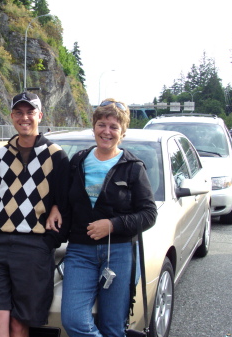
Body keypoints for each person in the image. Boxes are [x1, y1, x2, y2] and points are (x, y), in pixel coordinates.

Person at [0, 91, 70, 337]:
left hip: (33, 246)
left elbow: (66, 203)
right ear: (12, 116)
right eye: (19, 112)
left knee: (19, 324)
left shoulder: (56, 155)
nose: (24, 117)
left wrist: (49, 241)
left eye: (30, 112)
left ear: (40, 115)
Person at [58, 98, 157, 337]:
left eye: (114, 126)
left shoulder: (133, 166)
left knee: (113, 327)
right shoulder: (78, 162)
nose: (107, 131)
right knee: (73, 321)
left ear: (122, 132)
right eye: (102, 124)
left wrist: (113, 225)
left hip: (119, 253)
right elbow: (63, 202)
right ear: (94, 127)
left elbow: (149, 214)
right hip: (80, 251)